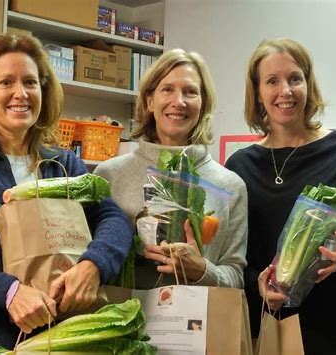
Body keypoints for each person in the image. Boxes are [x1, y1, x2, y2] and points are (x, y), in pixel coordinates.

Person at [0, 34, 132, 354]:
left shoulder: (64, 164)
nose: (21, 93)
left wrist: (94, 265)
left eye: (30, 82)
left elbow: (113, 218)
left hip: (59, 340)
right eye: (6, 82)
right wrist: (9, 292)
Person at [225, 38, 336, 355]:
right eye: (272, 81)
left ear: (308, 85)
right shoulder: (240, 166)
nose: (285, 91)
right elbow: (233, 254)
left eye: (294, 79)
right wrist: (257, 284)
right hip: (265, 331)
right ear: (257, 93)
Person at [94, 49, 248, 289]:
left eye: (190, 92)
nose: (179, 102)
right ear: (149, 101)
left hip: (200, 322)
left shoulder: (230, 185)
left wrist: (202, 270)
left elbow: (235, 276)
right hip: (123, 320)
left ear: (203, 104)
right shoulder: (109, 175)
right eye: (167, 89)